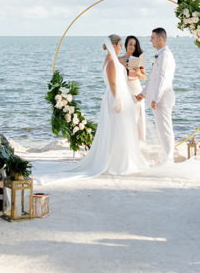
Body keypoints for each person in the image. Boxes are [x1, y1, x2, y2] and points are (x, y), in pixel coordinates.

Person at [61, 35, 149, 178]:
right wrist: (118, 100)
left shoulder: (112, 60)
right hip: (114, 97)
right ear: (113, 45)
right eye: (120, 44)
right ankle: (116, 161)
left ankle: (118, 157)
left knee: (117, 128)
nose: (122, 47)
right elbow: (113, 83)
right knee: (116, 128)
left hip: (116, 96)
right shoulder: (112, 61)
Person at [141, 27, 176, 164]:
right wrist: (143, 93)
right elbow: (152, 78)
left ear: (160, 39)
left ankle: (168, 159)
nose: (150, 40)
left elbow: (163, 78)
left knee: (165, 130)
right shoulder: (158, 54)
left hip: (163, 98)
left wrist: (156, 98)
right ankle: (166, 157)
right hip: (158, 97)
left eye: (153, 37)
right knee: (161, 130)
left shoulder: (165, 55)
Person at [120, 35, 148, 142]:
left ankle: (136, 142)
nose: (132, 47)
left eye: (134, 45)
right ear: (126, 45)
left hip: (136, 87)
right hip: (124, 87)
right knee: (124, 115)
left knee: (137, 117)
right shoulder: (120, 59)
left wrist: (137, 72)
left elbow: (144, 78)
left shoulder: (138, 60)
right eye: (130, 44)